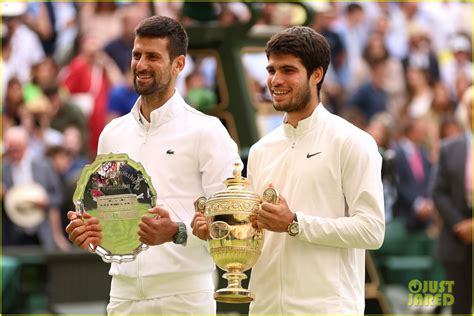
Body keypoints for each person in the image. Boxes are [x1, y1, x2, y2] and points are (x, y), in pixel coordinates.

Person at [192, 26, 385, 313]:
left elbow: (371, 231)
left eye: (288, 70)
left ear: (316, 75)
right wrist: (220, 230)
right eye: (271, 70)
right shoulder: (260, 150)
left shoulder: (352, 142)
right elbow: (257, 231)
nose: (275, 80)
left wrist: (295, 223)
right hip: (265, 307)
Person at [65, 16, 240, 315]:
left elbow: (233, 224)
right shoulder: (112, 133)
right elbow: (109, 219)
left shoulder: (207, 131)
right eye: (137, 55)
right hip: (123, 295)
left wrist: (176, 232)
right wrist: (89, 233)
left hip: (185, 296)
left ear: (179, 64)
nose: (141, 64)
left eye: (153, 56)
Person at [432, 86, 472, 315]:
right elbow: (438, 191)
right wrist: (461, 224)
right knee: (460, 306)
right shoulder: (449, 148)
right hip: (456, 239)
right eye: (471, 107)